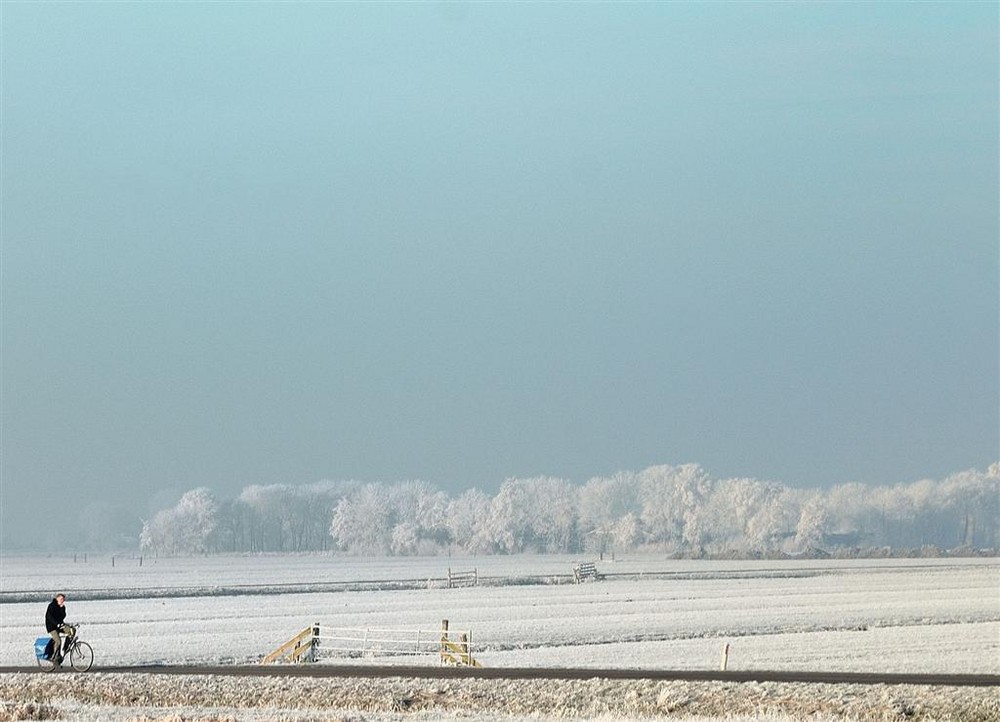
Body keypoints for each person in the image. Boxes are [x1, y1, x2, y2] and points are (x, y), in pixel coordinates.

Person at [44, 593, 74, 665]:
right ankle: (55, 657)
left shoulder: (62, 607)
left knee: (72, 630)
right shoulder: (51, 606)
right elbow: (49, 617)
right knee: (58, 641)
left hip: (60, 625)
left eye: (63, 600)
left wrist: (62, 609)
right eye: (61, 599)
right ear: (57, 599)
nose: (62, 601)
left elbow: (62, 617)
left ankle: (66, 647)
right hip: (52, 627)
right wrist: (57, 624)